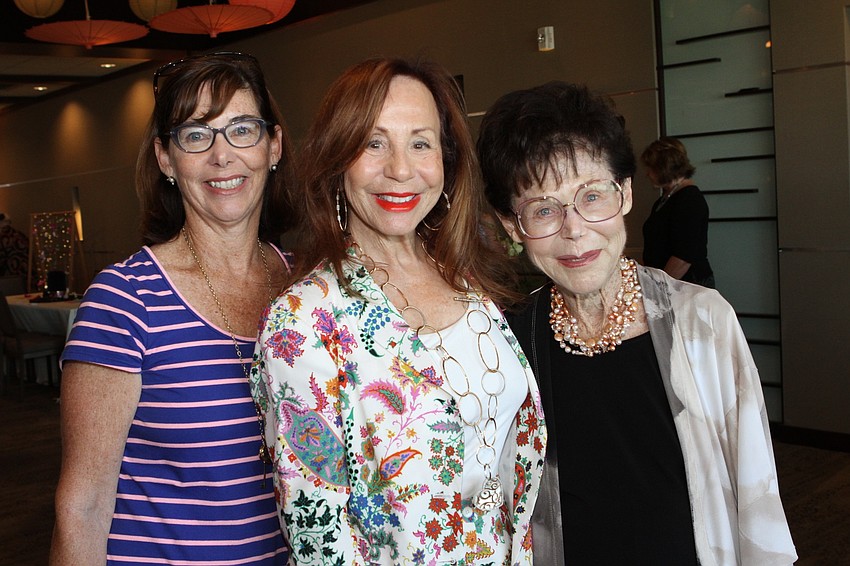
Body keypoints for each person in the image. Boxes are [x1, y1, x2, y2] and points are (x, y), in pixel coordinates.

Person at [477, 81, 796, 565]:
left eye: (592, 196)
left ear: (625, 193)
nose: (575, 229)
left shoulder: (702, 321)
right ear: (510, 226)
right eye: (543, 209)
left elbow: (756, 490)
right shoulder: (507, 341)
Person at [250, 57, 547, 565]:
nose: (401, 170)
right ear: (337, 158)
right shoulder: (303, 323)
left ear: (447, 161)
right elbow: (319, 537)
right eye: (373, 142)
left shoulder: (466, 281)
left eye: (420, 142)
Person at [50, 52, 293, 565]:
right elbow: (84, 507)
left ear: (273, 145)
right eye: (195, 135)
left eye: (241, 129)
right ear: (165, 158)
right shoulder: (123, 300)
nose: (222, 156)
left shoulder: (307, 290)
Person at [640, 136, 715, 287]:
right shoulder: (665, 199)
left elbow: (684, 256)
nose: (648, 174)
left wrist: (659, 288)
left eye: (652, 168)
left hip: (686, 284)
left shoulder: (689, 200)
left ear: (665, 167)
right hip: (668, 282)